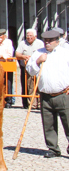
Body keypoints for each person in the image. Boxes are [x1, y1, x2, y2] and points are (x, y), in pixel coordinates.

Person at [26, 29, 69, 158]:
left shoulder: (65, 53)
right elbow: (30, 70)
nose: (47, 43)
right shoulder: (38, 53)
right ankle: (53, 148)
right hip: (45, 95)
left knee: (68, 122)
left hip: (63, 94)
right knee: (48, 124)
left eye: (50, 41)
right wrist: (38, 61)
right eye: (45, 41)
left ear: (57, 41)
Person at [16, 28, 43, 108]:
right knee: (29, 86)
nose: (29, 37)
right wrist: (23, 56)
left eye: (31, 36)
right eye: (27, 36)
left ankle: (39, 104)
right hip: (27, 68)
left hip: (38, 68)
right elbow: (17, 54)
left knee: (39, 86)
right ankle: (32, 104)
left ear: (35, 36)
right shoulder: (22, 43)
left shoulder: (40, 43)